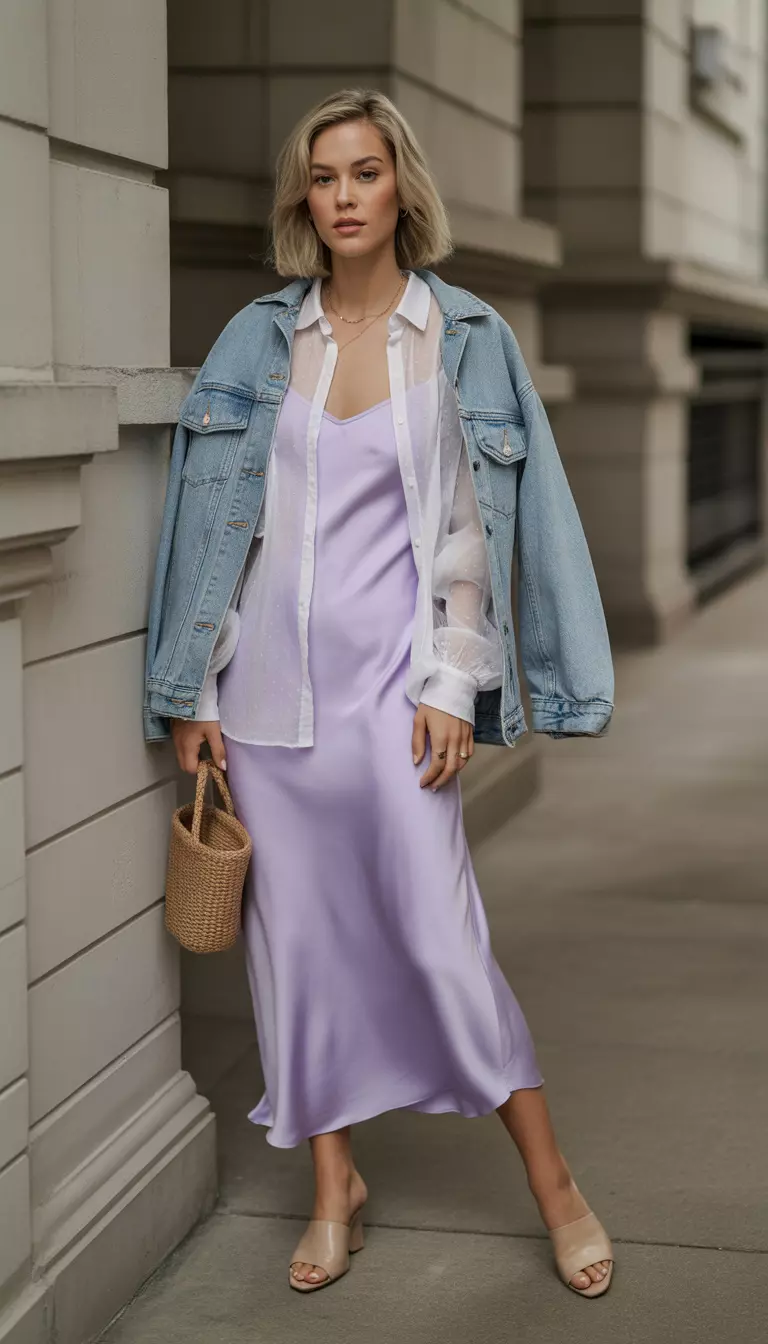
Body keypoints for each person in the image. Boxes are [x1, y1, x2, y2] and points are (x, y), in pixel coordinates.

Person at [143, 88, 615, 1298]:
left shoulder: (458, 339)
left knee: (439, 939)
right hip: (266, 702)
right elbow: (220, 536)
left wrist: (453, 681)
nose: (344, 196)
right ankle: (332, 1185)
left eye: (363, 172)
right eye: (322, 177)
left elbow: (470, 536)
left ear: (400, 184)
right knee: (296, 953)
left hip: (395, 698)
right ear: (304, 198)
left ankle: (555, 1185)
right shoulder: (264, 340)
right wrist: (195, 686)